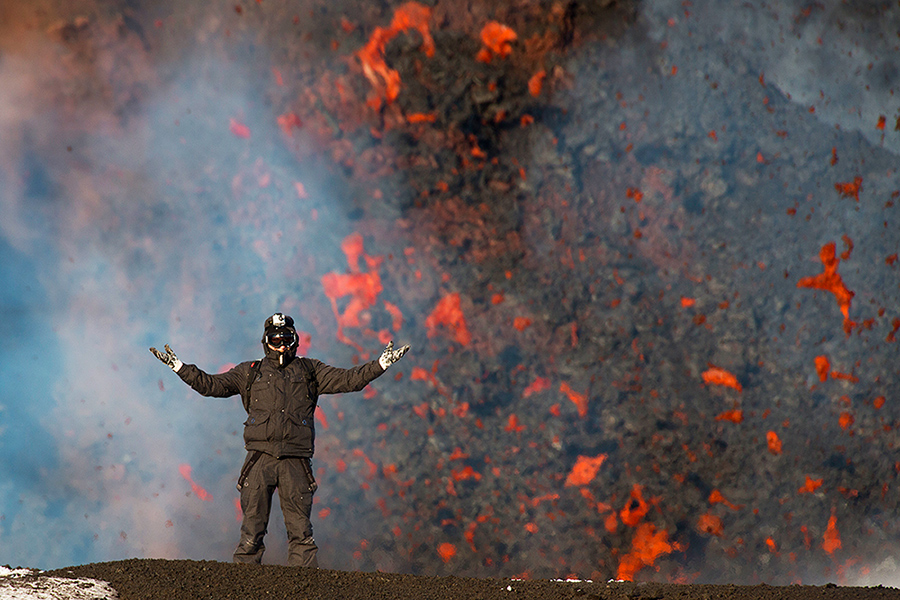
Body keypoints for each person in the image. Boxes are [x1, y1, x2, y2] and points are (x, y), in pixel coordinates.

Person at [150, 312, 409, 568]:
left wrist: (380, 365)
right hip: (259, 460)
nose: (282, 344)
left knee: (301, 535)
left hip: (296, 461)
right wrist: (180, 368)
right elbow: (211, 385)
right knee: (251, 534)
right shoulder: (249, 372)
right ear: (266, 342)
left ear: (295, 339)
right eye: (275, 339)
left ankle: (305, 591)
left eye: (286, 338)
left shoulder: (311, 370)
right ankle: (241, 588)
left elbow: (349, 380)